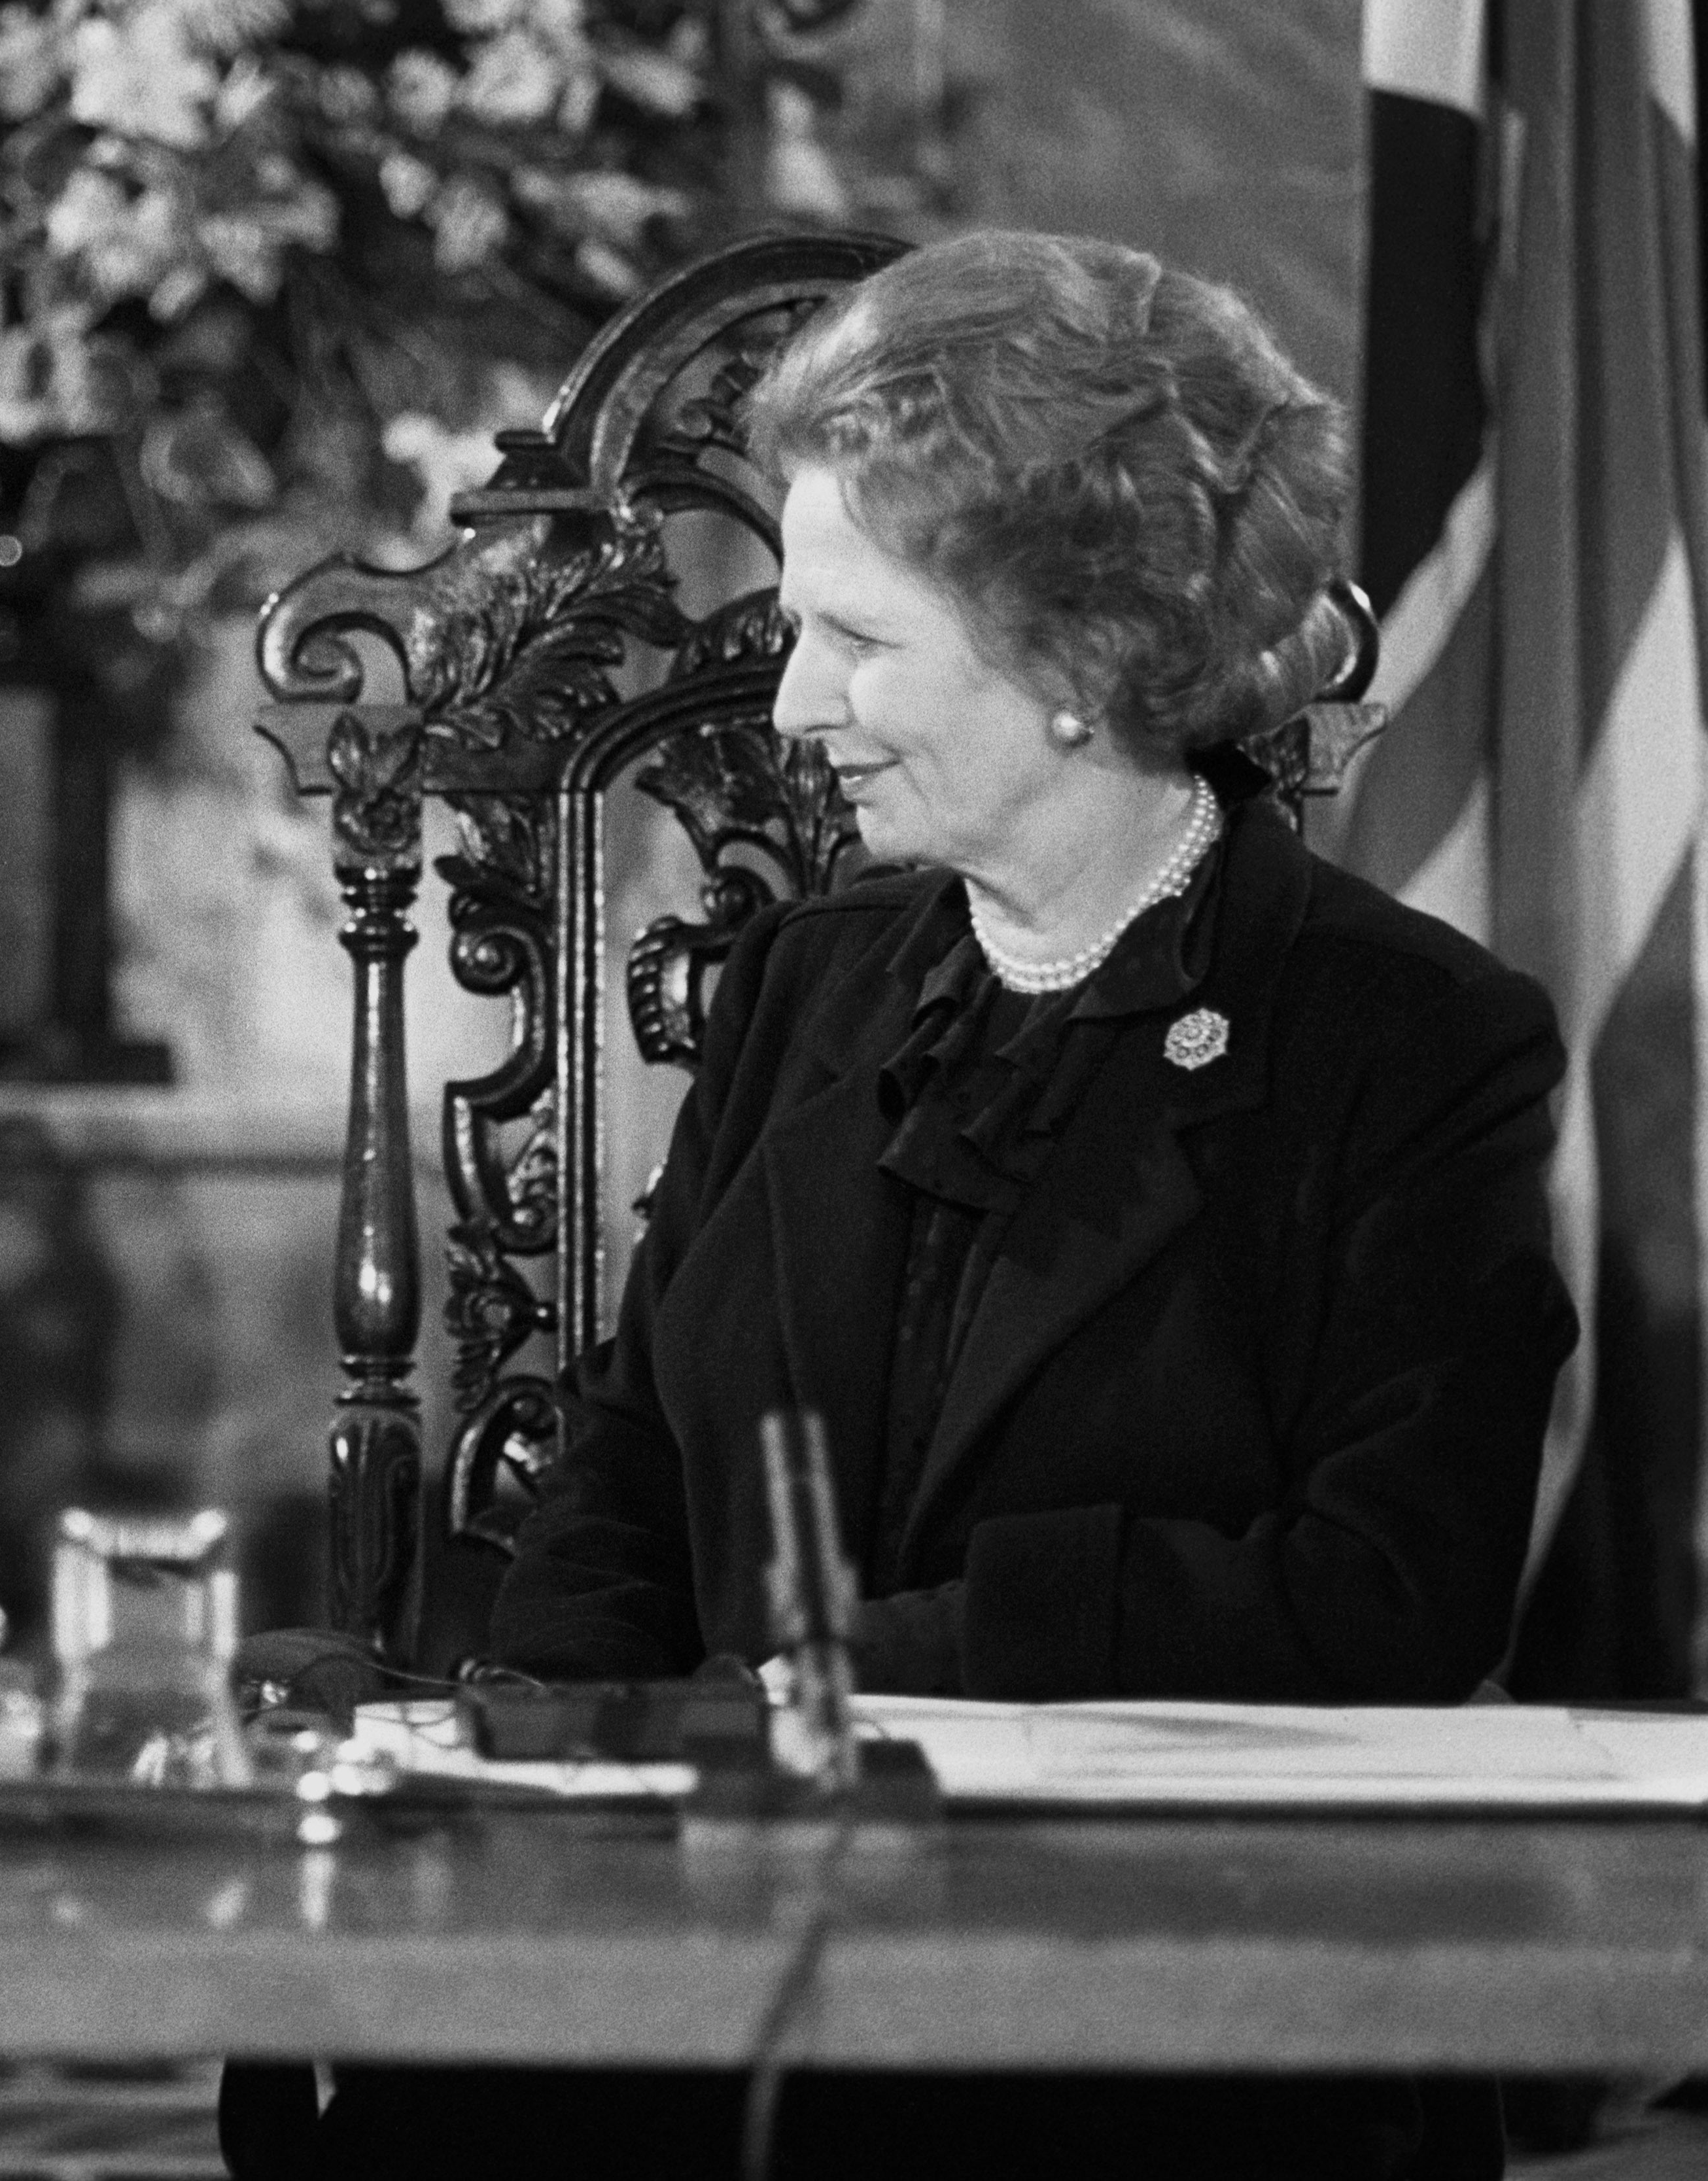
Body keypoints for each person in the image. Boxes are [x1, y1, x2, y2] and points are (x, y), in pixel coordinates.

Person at [319, 233, 1574, 2177]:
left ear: (1079, 659)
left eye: (856, 636)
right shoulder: (808, 982)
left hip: (1157, 2025)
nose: (792, 700)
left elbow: (1382, 1597)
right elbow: (629, 1469)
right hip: (702, 1973)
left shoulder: (1413, 1046)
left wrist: (865, 1673)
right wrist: (557, 1774)